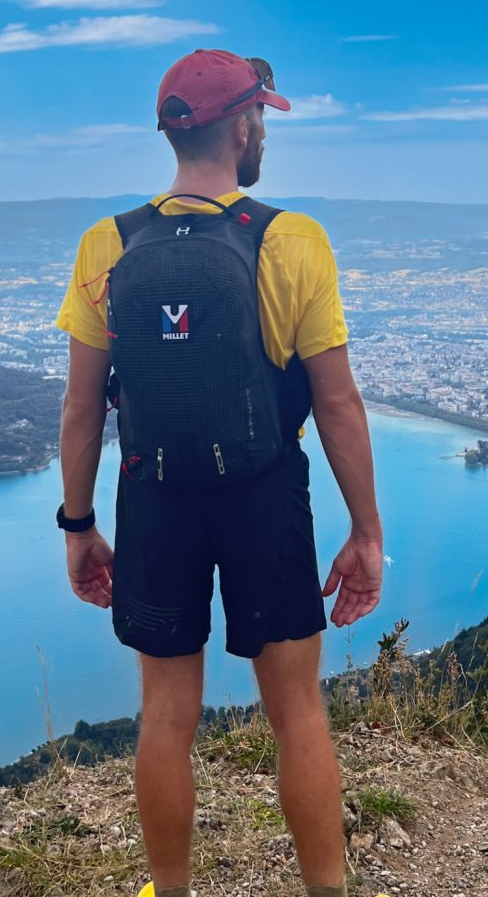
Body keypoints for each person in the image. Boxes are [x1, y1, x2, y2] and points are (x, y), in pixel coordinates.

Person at [55, 49, 383, 897]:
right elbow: (338, 404)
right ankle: (327, 891)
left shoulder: (107, 243)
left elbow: (83, 408)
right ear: (242, 127)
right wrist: (366, 532)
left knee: (166, 717)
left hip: (154, 500)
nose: (262, 130)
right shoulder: (292, 240)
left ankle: (171, 890)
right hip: (265, 496)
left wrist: (80, 525)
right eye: (261, 117)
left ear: (173, 131)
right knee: (298, 713)